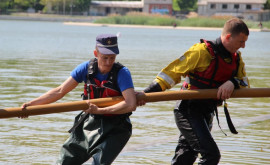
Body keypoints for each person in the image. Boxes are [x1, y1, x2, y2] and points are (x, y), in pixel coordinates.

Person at [139, 18, 250, 165]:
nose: (243, 46)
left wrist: (233, 82)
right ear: (228, 37)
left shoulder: (236, 59)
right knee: (211, 155)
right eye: (241, 42)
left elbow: (245, 82)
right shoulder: (202, 51)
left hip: (207, 113)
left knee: (185, 157)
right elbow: (170, 75)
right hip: (189, 110)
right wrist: (145, 94)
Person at [21, 34, 137, 165]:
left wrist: (100, 110)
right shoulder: (86, 68)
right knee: (64, 161)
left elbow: (130, 104)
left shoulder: (122, 73)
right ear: (96, 53)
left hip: (116, 127)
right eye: (105, 58)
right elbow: (60, 91)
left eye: (112, 58)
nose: (109, 62)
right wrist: (31, 105)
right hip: (89, 122)